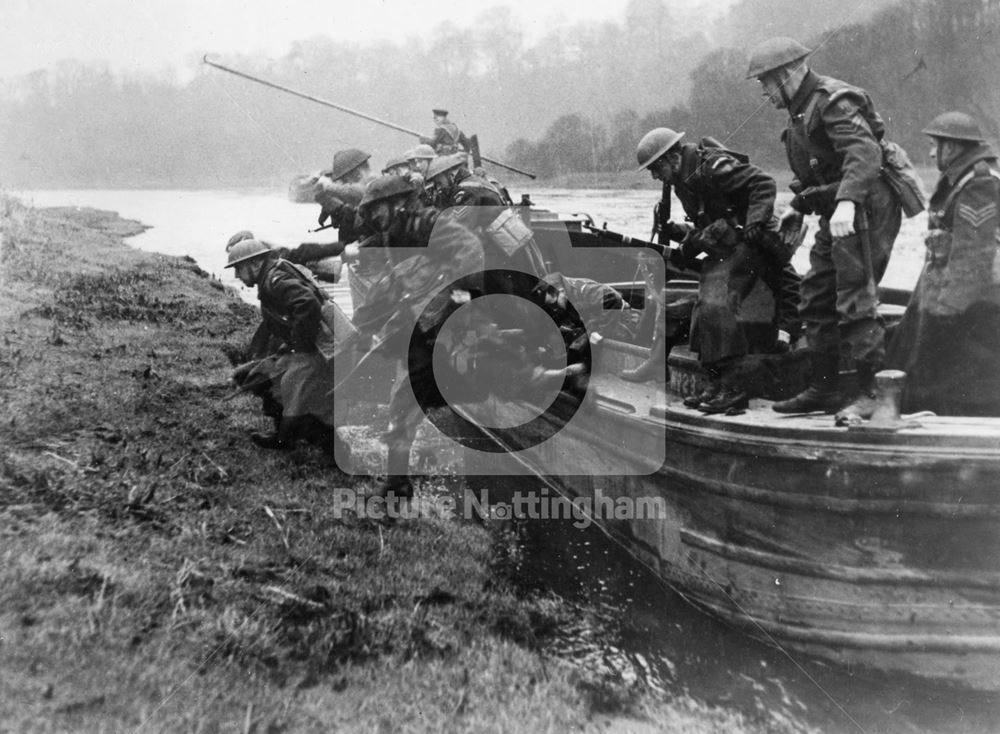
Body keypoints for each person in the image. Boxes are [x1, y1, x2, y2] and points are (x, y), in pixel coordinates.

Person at [746, 37, 903, 423]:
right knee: (815, 295)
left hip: (864, 206)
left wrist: (848, 201)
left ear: (788, 74)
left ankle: (873, 393)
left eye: (767, 82)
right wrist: (798, 207)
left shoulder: (832, 99)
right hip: (839, 212)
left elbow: (865, 154)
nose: (765, 93)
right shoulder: (800, 113)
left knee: (854, 297)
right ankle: (825, 387)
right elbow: (819, 170)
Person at [628, 127, 799, 414]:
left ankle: (735, 388)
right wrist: (683, 236)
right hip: (730, 245)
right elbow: (708, 220)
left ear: (672, 158)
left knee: (720, 303)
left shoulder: (711, 166)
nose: (655, 176)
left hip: (754, 242)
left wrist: (755, 223)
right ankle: (716, 383)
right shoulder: (682, 181)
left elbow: (764, 184)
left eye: (656, 168)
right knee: (704, 307)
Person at [886, 112, 1000, 416]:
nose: (933, 152)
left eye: (936, 144)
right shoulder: (961, 178)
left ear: (953, 146)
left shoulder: (978, 184)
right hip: (947, 290)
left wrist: (949, 308)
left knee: (959, 373)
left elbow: (974, 253)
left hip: (972, 300)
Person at [225, 239, 338, 450]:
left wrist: (299, 346)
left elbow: (307, 304)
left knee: (291, 387)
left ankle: (286, 440)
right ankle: (291, 436)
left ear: (255, 264)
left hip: (318, 348)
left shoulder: (274, 280)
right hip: (316, 344)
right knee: (264, 376)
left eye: (239, 269)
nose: (237, 275)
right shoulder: (272, 276)